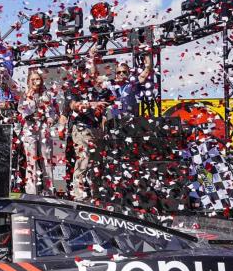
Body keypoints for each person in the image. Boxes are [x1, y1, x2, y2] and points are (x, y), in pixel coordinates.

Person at [66, 58, 112, 202]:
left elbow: (108, 103)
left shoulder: (96, 87)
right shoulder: (72, 87)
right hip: (81, 128)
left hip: (97, 128)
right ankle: (78, 194)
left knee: (97, 163)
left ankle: (96, 194)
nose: (83, 73)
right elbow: (73, 105)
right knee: (84, 159)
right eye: (80, 70)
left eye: (85, 70)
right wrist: (92, 104)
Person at [18, 70, 58, 195]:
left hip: (43, 127)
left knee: (46, 159)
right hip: (29, 129)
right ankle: (31, 192)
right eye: (33, 79)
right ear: (29, 81)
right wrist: (29, 97)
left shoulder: (46, 94)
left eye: (38, 79)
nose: (36, 81)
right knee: (31, 161)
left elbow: (53, 111)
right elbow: (22, 110)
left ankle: (49, 191)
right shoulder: (24, 94)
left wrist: (51, 118)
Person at [109, 55, 153, 120]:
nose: (121, 74)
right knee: (107, 112)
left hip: (132, 116)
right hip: (118, 118)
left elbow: (147, 70)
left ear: (128, 72)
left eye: (124, 71)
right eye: (119, 72)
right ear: (116, 75)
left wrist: (147, 55)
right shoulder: (116, 88)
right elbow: (94, 77)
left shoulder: (133, 83)